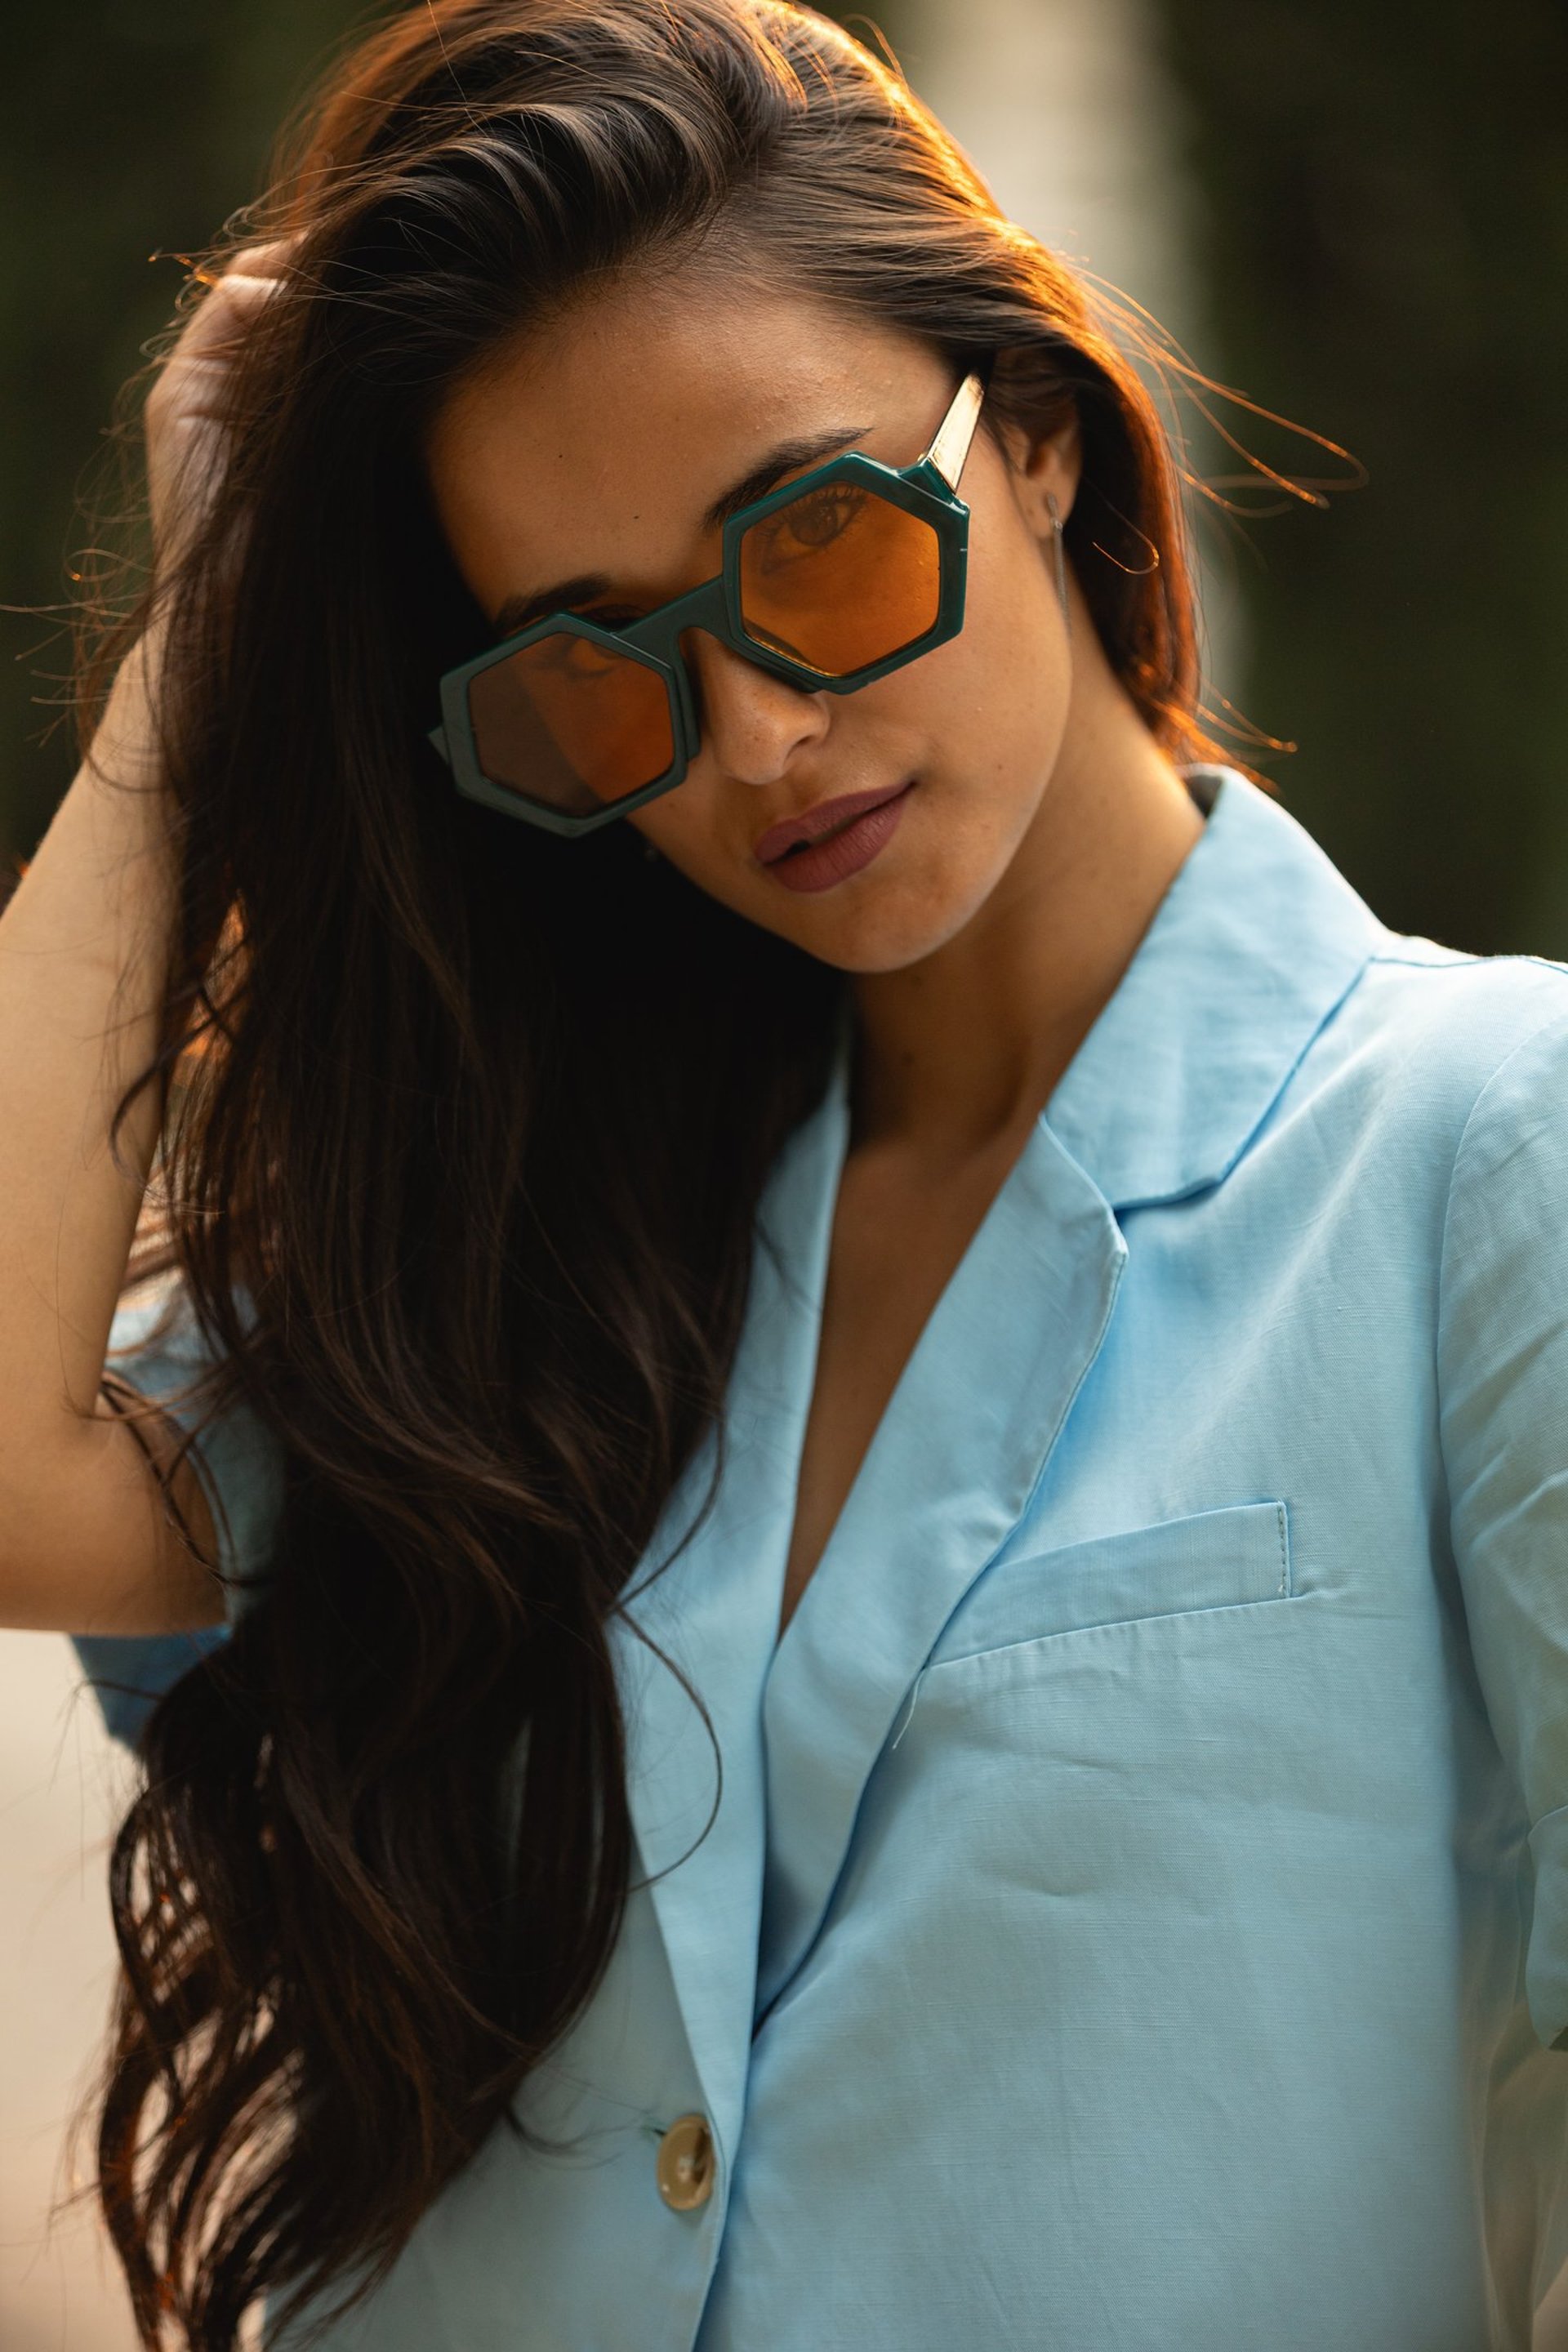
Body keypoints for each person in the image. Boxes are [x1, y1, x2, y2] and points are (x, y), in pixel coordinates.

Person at [3, 0, 1566, 2344]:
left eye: (816, 543)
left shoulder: (1483, 1146)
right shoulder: (536, 1247)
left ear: (1028, 437)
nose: (753, 734)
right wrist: (203, 642)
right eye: (592, 665)